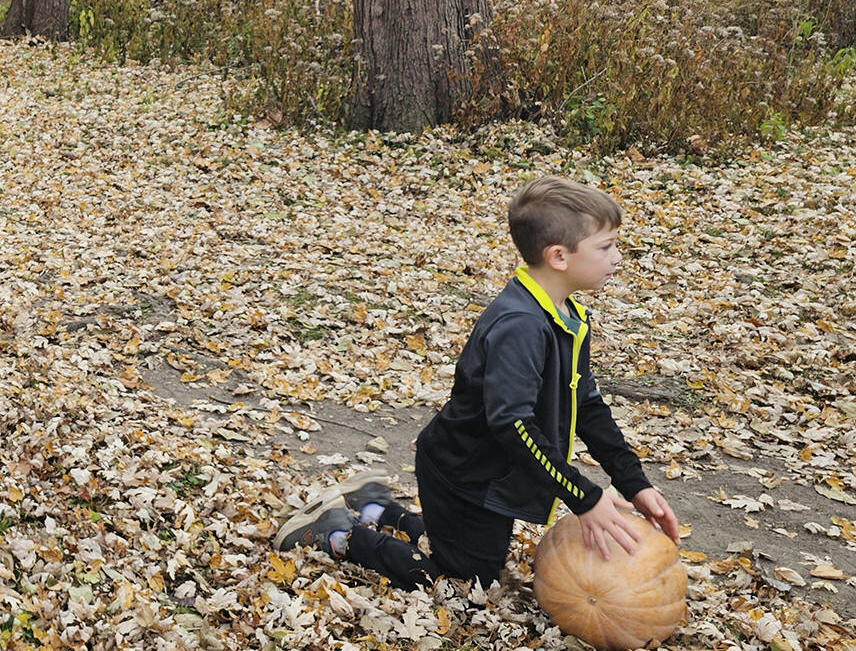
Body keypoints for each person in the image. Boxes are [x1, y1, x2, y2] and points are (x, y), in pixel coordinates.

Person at [274, 177, 680, 591]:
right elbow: (514, 426)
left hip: (491, 472)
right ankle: (338, 535)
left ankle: (374, 506)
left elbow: (588, 407)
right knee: (464, 585)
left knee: (470, 562)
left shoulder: (567, 314)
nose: (617, 257)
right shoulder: (521, 326)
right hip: (464, 473)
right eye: (606, 246)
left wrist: (634, 482)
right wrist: (584, 497)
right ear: (558, 256)